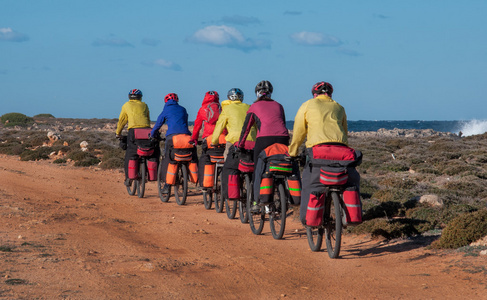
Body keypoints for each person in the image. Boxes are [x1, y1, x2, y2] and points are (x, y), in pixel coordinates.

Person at [288, 81, 360, 225]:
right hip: (341, 150)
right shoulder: (339, 107)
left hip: (318, 151)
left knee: (310, 184)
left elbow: (299, 131)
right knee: (351, 181)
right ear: (330, 94)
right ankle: (349, 216)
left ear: (314, 94)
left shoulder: (308, 105)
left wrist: (293, 152)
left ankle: (310, 219)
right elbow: (344, 132)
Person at [236, 81, 290, 211]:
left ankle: (256, 202)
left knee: (258, 170)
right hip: (283, 138)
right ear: (271, 93)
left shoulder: (254, 106)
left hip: (264, 139)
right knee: (280, 165)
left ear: (257, 93)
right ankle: (282, 196)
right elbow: (281, 122)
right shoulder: (279, 105)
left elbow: (246, 128)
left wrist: (240, 145)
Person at [211, 88, 256, 201]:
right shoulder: (249, 107)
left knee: (229, 163)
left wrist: (214, 141)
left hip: (234, 141)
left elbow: (219, 126)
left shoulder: (227, 109)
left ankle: (233, 189)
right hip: (251, 141)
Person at [150, 93, 195, 193]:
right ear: (177, 100)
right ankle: (191, 176)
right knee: (191, 156)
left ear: (166, 101)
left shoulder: (166, 110)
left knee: (168, 159)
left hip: (172, 137)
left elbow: (158, 124)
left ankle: (167, 185)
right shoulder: (183, 109)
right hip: (186, 137)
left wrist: (152, 134)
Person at [116, 89, 156, 186]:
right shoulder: (144, 105)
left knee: (130, 154)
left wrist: (118, 133)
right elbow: (148, 118)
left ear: (129, 97)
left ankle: (128, 178)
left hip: (134, 131)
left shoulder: (126, 105)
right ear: (140, 97)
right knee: (150, 150)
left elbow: (122, 120)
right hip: (147, 131)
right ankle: (149, 174)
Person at [191, 91, 222, 188]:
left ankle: (204, 185)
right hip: (223, 138)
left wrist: (194, 138)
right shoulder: (222, 109)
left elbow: (197, 126)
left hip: (208, 138)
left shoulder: (202, 110)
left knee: (204, 158)